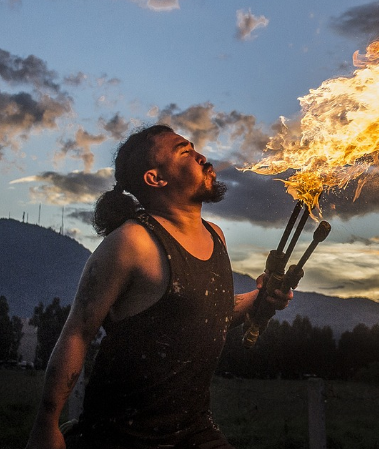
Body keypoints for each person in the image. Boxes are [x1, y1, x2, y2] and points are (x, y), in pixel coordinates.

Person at [26, 124, 292, 449]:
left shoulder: (216, 236)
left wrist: (260, 298)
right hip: (122, 436)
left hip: (194, 431)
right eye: (186, 152)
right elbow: (78, 333)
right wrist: (46, 425)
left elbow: (205, 315)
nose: (202, 157)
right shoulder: (132, 242)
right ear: (156, 178)